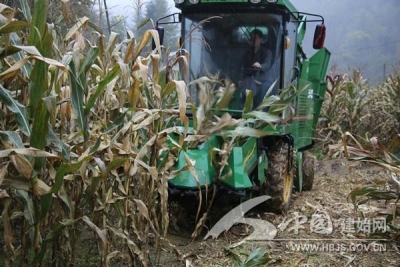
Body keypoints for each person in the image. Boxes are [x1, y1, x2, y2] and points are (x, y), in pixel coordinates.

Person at [240, 29, 274, 107]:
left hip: (263, 80)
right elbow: (242, 67)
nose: (253, 40)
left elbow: (267, 65)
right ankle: (241, 111)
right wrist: (240, 79)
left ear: (261, 39)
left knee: (264, 88)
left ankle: (260, 111)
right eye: (251, 38)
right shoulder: (247, 53)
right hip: (250, 80)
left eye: (255, 38)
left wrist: (260, 66)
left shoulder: (267, 52)